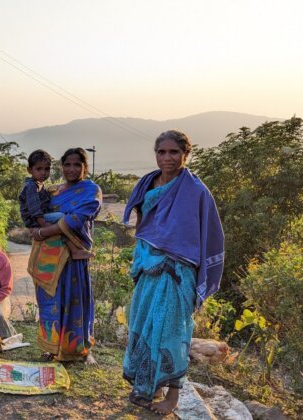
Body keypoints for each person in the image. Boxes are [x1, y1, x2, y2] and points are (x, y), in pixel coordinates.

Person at [122, 130, 224, 415]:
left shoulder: (196, 191)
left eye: (173, 152)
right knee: (143, 326)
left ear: (185, 154)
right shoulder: (147, 184)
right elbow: (144, 225)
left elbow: (210, 234)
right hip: (148, 267)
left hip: (177, 272)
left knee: (171, 334)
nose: (167, 158)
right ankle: (148, 386)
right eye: (161, 152)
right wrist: (143, 256)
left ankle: (172, 398)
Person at [29, 147, 101, 363]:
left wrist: (43, 231)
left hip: (74, 256)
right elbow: (36, 213)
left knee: (75, 300)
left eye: (77, 164)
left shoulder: (91, 190)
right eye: (67, 164)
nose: (71, 169)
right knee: (50, 300)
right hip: (51, 255)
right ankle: (51, 347)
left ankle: (78, 348)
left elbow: (78, 218)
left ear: (85, 167)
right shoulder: (53, 191)